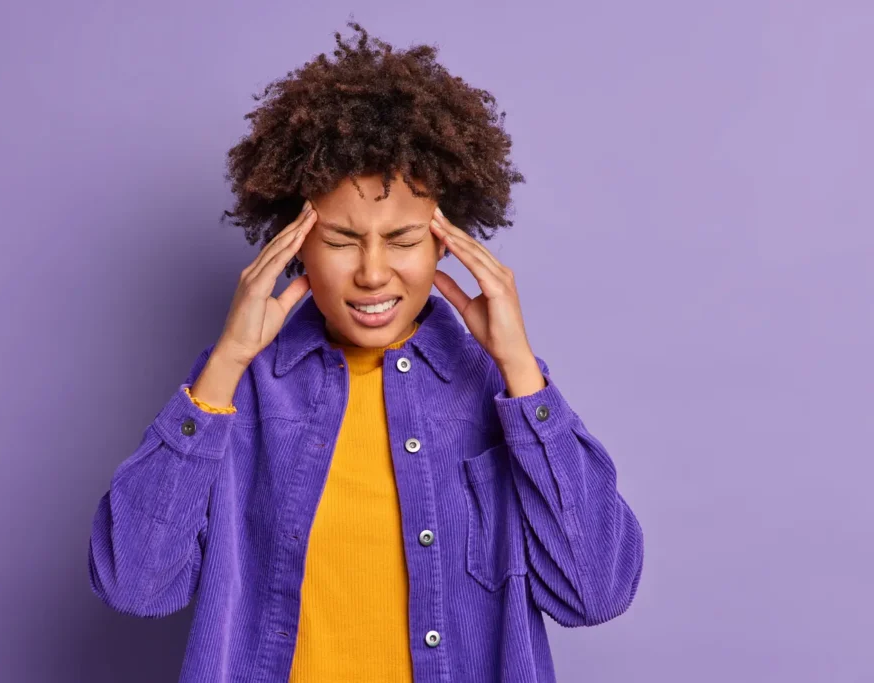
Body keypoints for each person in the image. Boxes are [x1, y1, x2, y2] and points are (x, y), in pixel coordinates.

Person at [88, 21, 644, 682]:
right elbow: (134, 583)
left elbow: (598, 591)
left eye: (403, 238)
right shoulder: (237, 391)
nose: (374, 272)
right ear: (296, 240)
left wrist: (521, 372)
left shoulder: (498, 391)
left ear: (445, 241)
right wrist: (224, 366)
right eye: (344, 238)